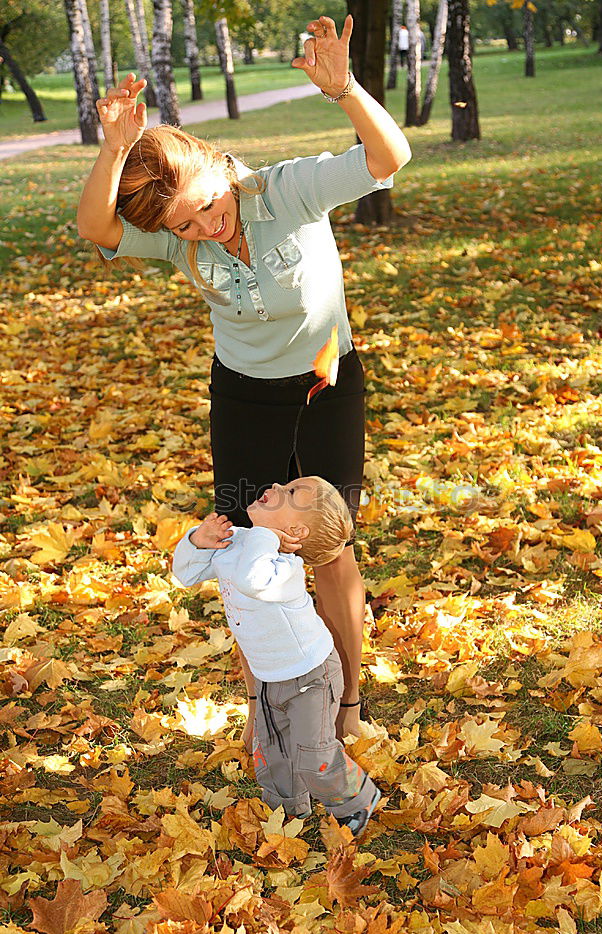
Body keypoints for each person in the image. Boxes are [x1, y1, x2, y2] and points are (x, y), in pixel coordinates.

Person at [76, 13, 411, 752]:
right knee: (245, 550)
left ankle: (348, 699)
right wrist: (112, 148)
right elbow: (96, 228)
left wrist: (346, 89)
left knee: (329, 548)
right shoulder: (175, 241)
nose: (201, 230)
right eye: (182, 229)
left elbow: (387, 157)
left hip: (326, 384)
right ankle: (277, 706)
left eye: (202, 209)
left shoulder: (286, 191)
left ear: (218, 167)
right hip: (244, 395)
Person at [172, 476, 382, 836]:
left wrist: (266, 536)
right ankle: (286, 811)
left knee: (312, 752)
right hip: (270, 673)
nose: (275, 484)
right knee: (274, 750)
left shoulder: (285, 568)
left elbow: (254, 579)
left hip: (312, 675)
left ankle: (358, 800)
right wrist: (198, 541)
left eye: (290, 492)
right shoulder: (241, 542)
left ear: (295, 530)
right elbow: (185, 574)